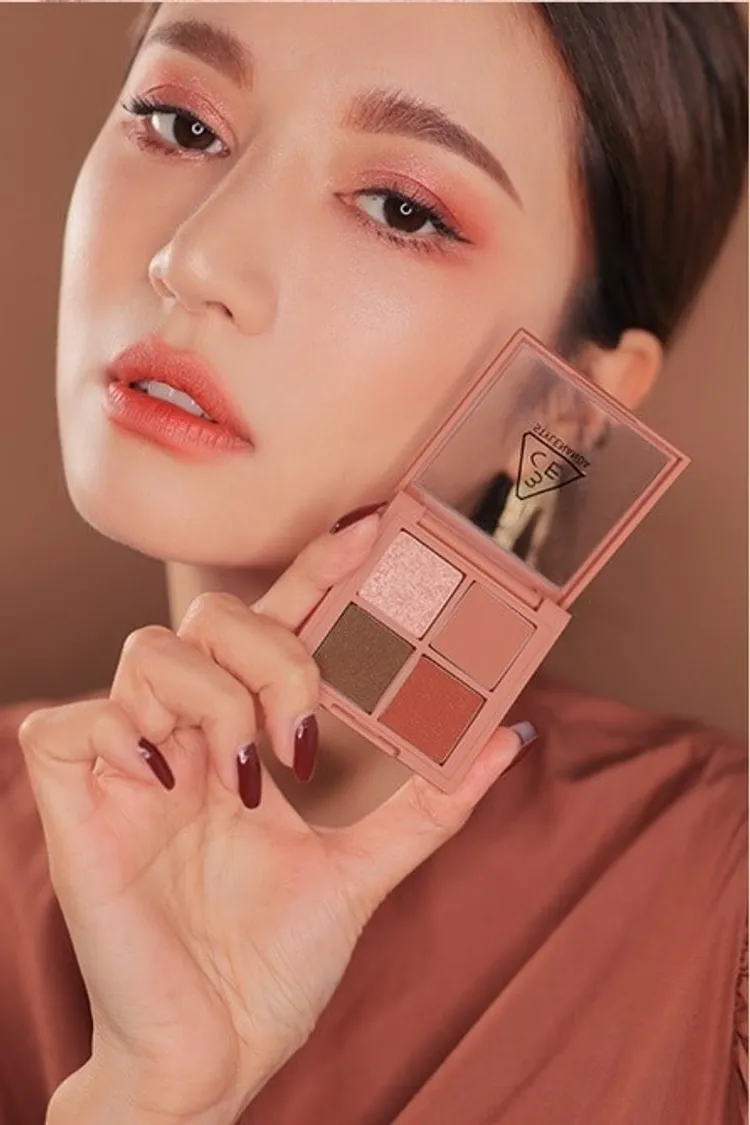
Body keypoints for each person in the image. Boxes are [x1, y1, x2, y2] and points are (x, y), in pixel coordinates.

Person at [0, 3, 746, 1123]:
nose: (194, 258)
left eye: (400, 209)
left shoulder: (717, 907)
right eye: (180, 123)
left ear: (574, 404)